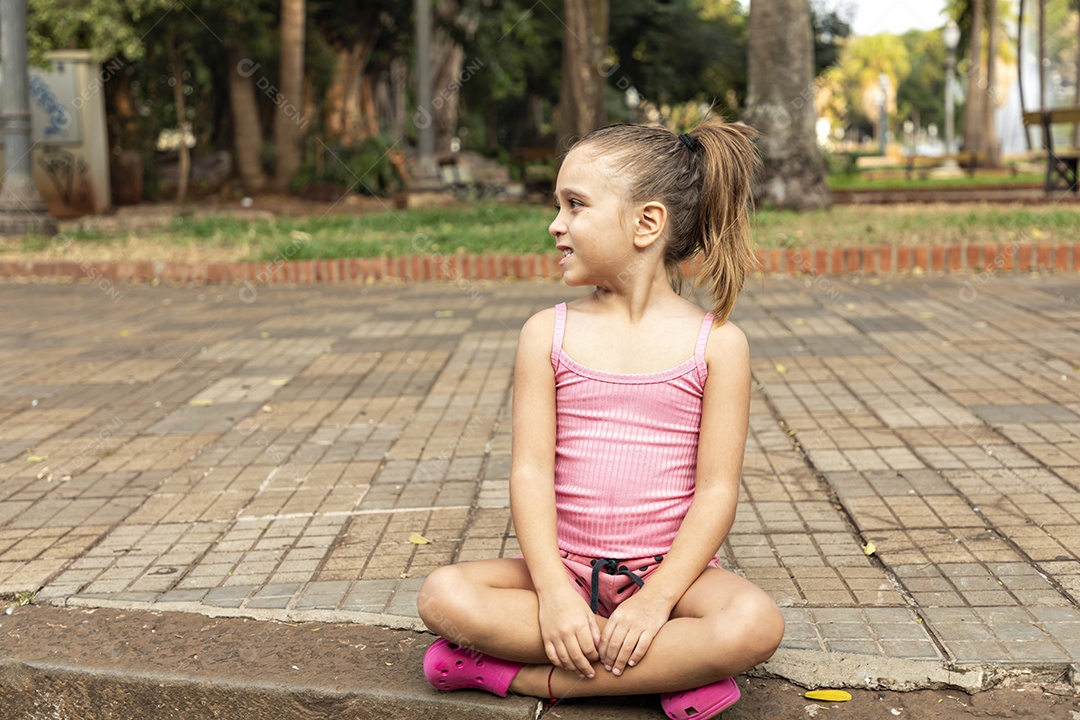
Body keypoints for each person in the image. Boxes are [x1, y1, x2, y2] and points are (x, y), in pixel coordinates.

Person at [416, 115, 785, 720]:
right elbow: (530, 474)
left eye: (575, 205)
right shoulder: (546, 334)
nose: (555, 225)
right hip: (563, 569)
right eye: (557, 206)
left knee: (754, 623)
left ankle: (522, 677)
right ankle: (669, 672)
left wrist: (656, 601)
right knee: (445, 595)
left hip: (673, 578)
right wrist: (557, 596)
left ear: (647, 223)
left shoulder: (718, 345)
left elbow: (718, 489)